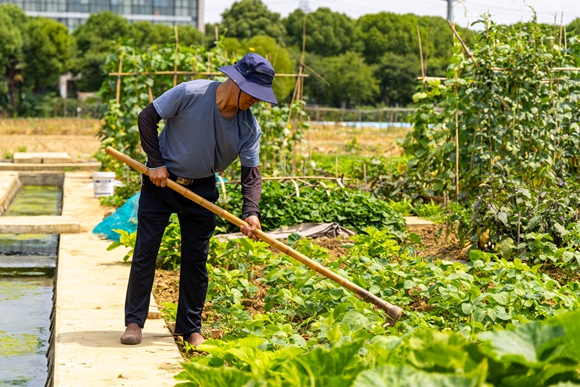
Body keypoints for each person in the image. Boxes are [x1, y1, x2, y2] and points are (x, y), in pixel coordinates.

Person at [120, 53, 277, 346]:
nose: (256, 101)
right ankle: (134, 322)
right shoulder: (190, 93)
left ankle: (190, 327)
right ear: (235, 81)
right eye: (254, 93)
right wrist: (155, 162)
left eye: (261, 96)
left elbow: (251, 174)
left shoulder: (248, 127)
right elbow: (147, 117)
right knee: (145, 252)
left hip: (201, 191)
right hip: (161, 183)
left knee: (196, 260)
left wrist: (251, 213)